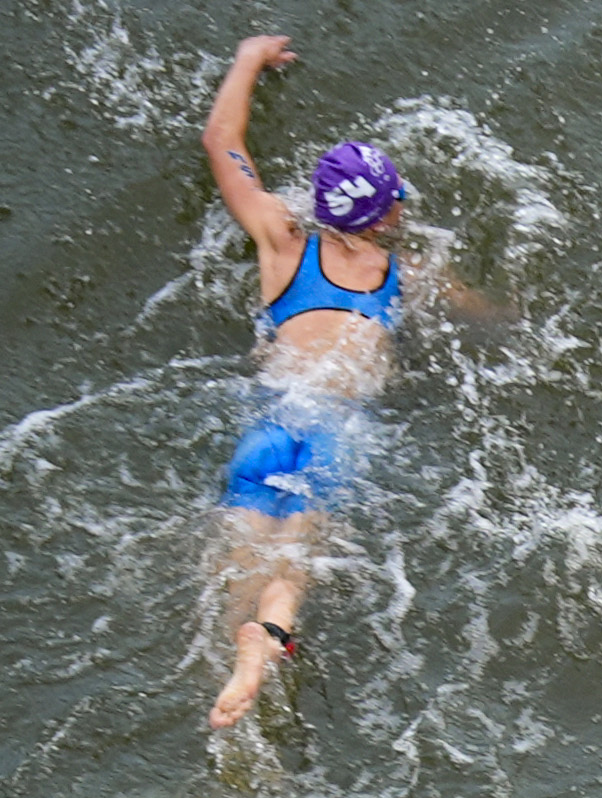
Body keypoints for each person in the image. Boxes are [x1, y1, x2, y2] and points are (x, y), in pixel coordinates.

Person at [199, 39, 405, 732]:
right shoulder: (397, 271)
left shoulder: (281, 242)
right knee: (294, 565)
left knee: (242, 569)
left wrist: (249, 59)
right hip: (337, 427)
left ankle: (240, 653)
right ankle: (269, 637)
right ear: (383, 216)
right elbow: (479, 313)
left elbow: (220, 140)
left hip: (271, 418)